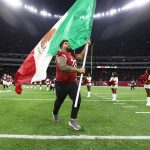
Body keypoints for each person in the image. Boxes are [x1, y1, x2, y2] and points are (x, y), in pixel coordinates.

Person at [52, 39, 91, 131]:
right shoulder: (60, 54)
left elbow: (81, 56)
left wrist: (86, 45)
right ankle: (55, 113)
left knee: (77, 99)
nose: (68, 44)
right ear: (61, 46)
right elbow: (63, 67)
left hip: (72, 82)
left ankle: (73, 120)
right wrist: (78, 70)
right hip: (61, 83)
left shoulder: (72, 54)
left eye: (69, 43)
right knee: (59, 101)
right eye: (66, 43)